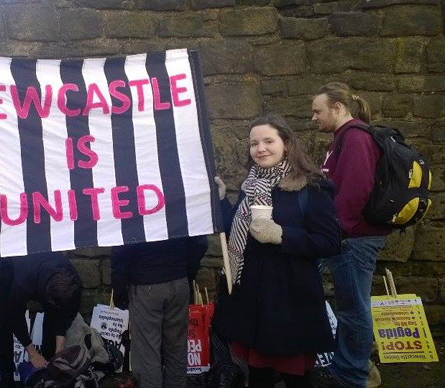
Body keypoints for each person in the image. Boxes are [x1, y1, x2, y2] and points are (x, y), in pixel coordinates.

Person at [213, 114, 341, 388]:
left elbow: (330, 241)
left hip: (289, 301)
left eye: (268, 141)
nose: (260, 148)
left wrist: (282, 235)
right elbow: (234, 231)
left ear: (286, 144)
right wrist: (223, 200)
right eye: (254, 143)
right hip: (252, 299)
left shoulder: (311, 187)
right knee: (257, 375)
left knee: (296, 377)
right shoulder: (251, 187)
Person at [311, 82, 391, 388]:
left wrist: (334, 230)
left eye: (318, 111)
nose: (314, 118)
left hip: (354, 237)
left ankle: (354, 374)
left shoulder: (355, 139)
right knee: (349, 305)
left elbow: (355, 192)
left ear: (336, 108)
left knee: (354, 307)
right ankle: (352, 366)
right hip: (347, 235)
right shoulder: (341, 139)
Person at [111, 235, 208, 387]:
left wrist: (119, 289)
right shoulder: (182, 209)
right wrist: (186, 271)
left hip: (145, 284)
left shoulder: (132, 210)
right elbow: (200, 242)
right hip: (178, 279)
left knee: (148, 351)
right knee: (177, 347)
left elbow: (121, 250)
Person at [0, 252, 82, 387]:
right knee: (4, 321)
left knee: (53, 316)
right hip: (8, 262)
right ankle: (6, 375)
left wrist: (60, 347)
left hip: (40, 263)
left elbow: (64, 314)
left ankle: (48, 366)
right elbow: (15, 316)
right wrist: (32, 352)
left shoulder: (73, 282)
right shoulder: (22, 283)